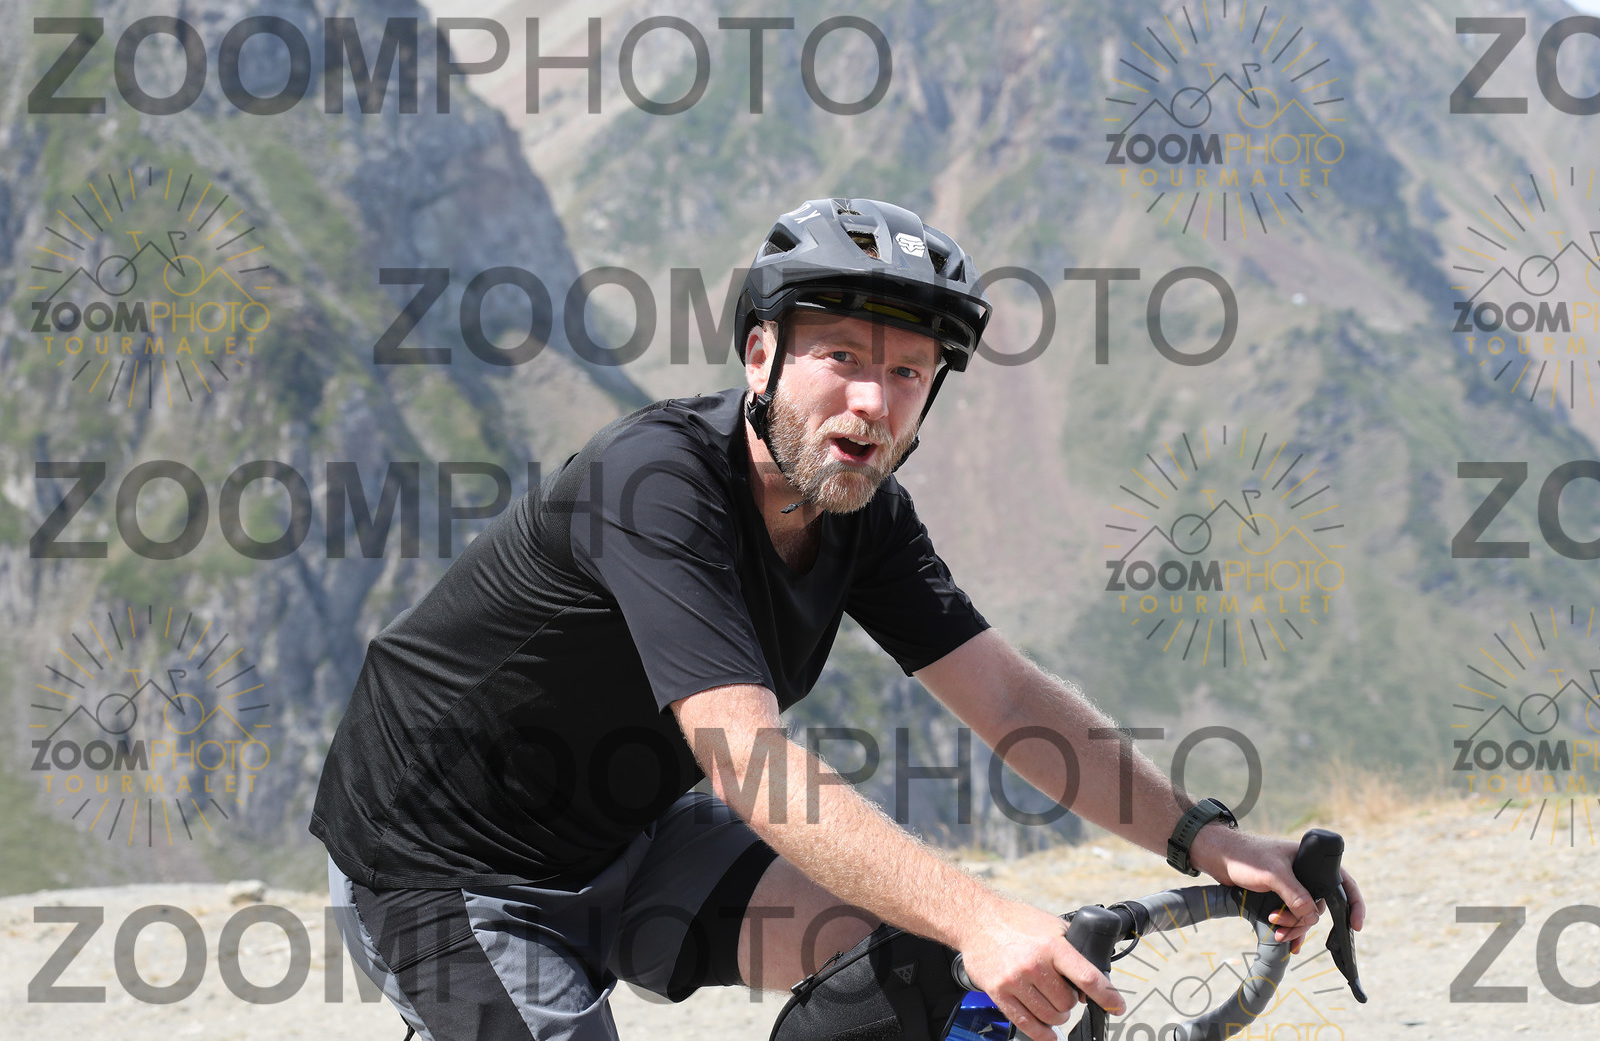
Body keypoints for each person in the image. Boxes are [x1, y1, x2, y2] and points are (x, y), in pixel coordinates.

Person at [310, 197, 1365, 1041]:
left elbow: (1007, 697)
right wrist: (983, 913)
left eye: (906, 371)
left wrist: (1205, 835)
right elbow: (747, 761)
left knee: (918, 965)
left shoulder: (864, 514)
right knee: (959, 926)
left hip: (633, 829)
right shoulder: (654, 482)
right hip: (443, 865)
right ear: (759, 355)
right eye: (842, 358)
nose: (873, 402)